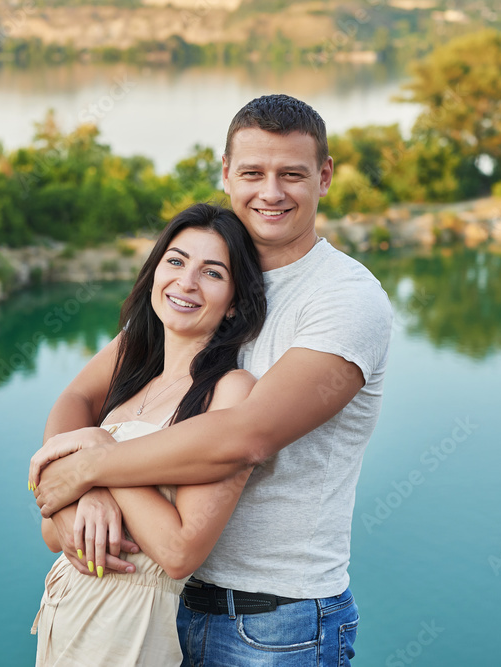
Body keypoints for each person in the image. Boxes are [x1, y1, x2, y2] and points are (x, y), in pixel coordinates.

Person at [31, 94, 393, 666]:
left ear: (324, 177)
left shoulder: (343, 299)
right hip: (164, 608)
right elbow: (80, 394)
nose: (270, 193)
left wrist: (91, 462)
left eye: (291, 175)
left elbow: (244, 437)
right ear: (226, 173)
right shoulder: (196, 286)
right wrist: (85, 494)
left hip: (274, 622)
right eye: (252, 172)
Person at [29, 203, 267, 665]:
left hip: (132, 628)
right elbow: (51, 532)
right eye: (176, 261)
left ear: (235, 300)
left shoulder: (230, 390)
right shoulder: (134, 368)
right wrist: (85, 489)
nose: (186, 282)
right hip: (66, 613)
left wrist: (100, 457)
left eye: (212, 273)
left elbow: (180, 551)